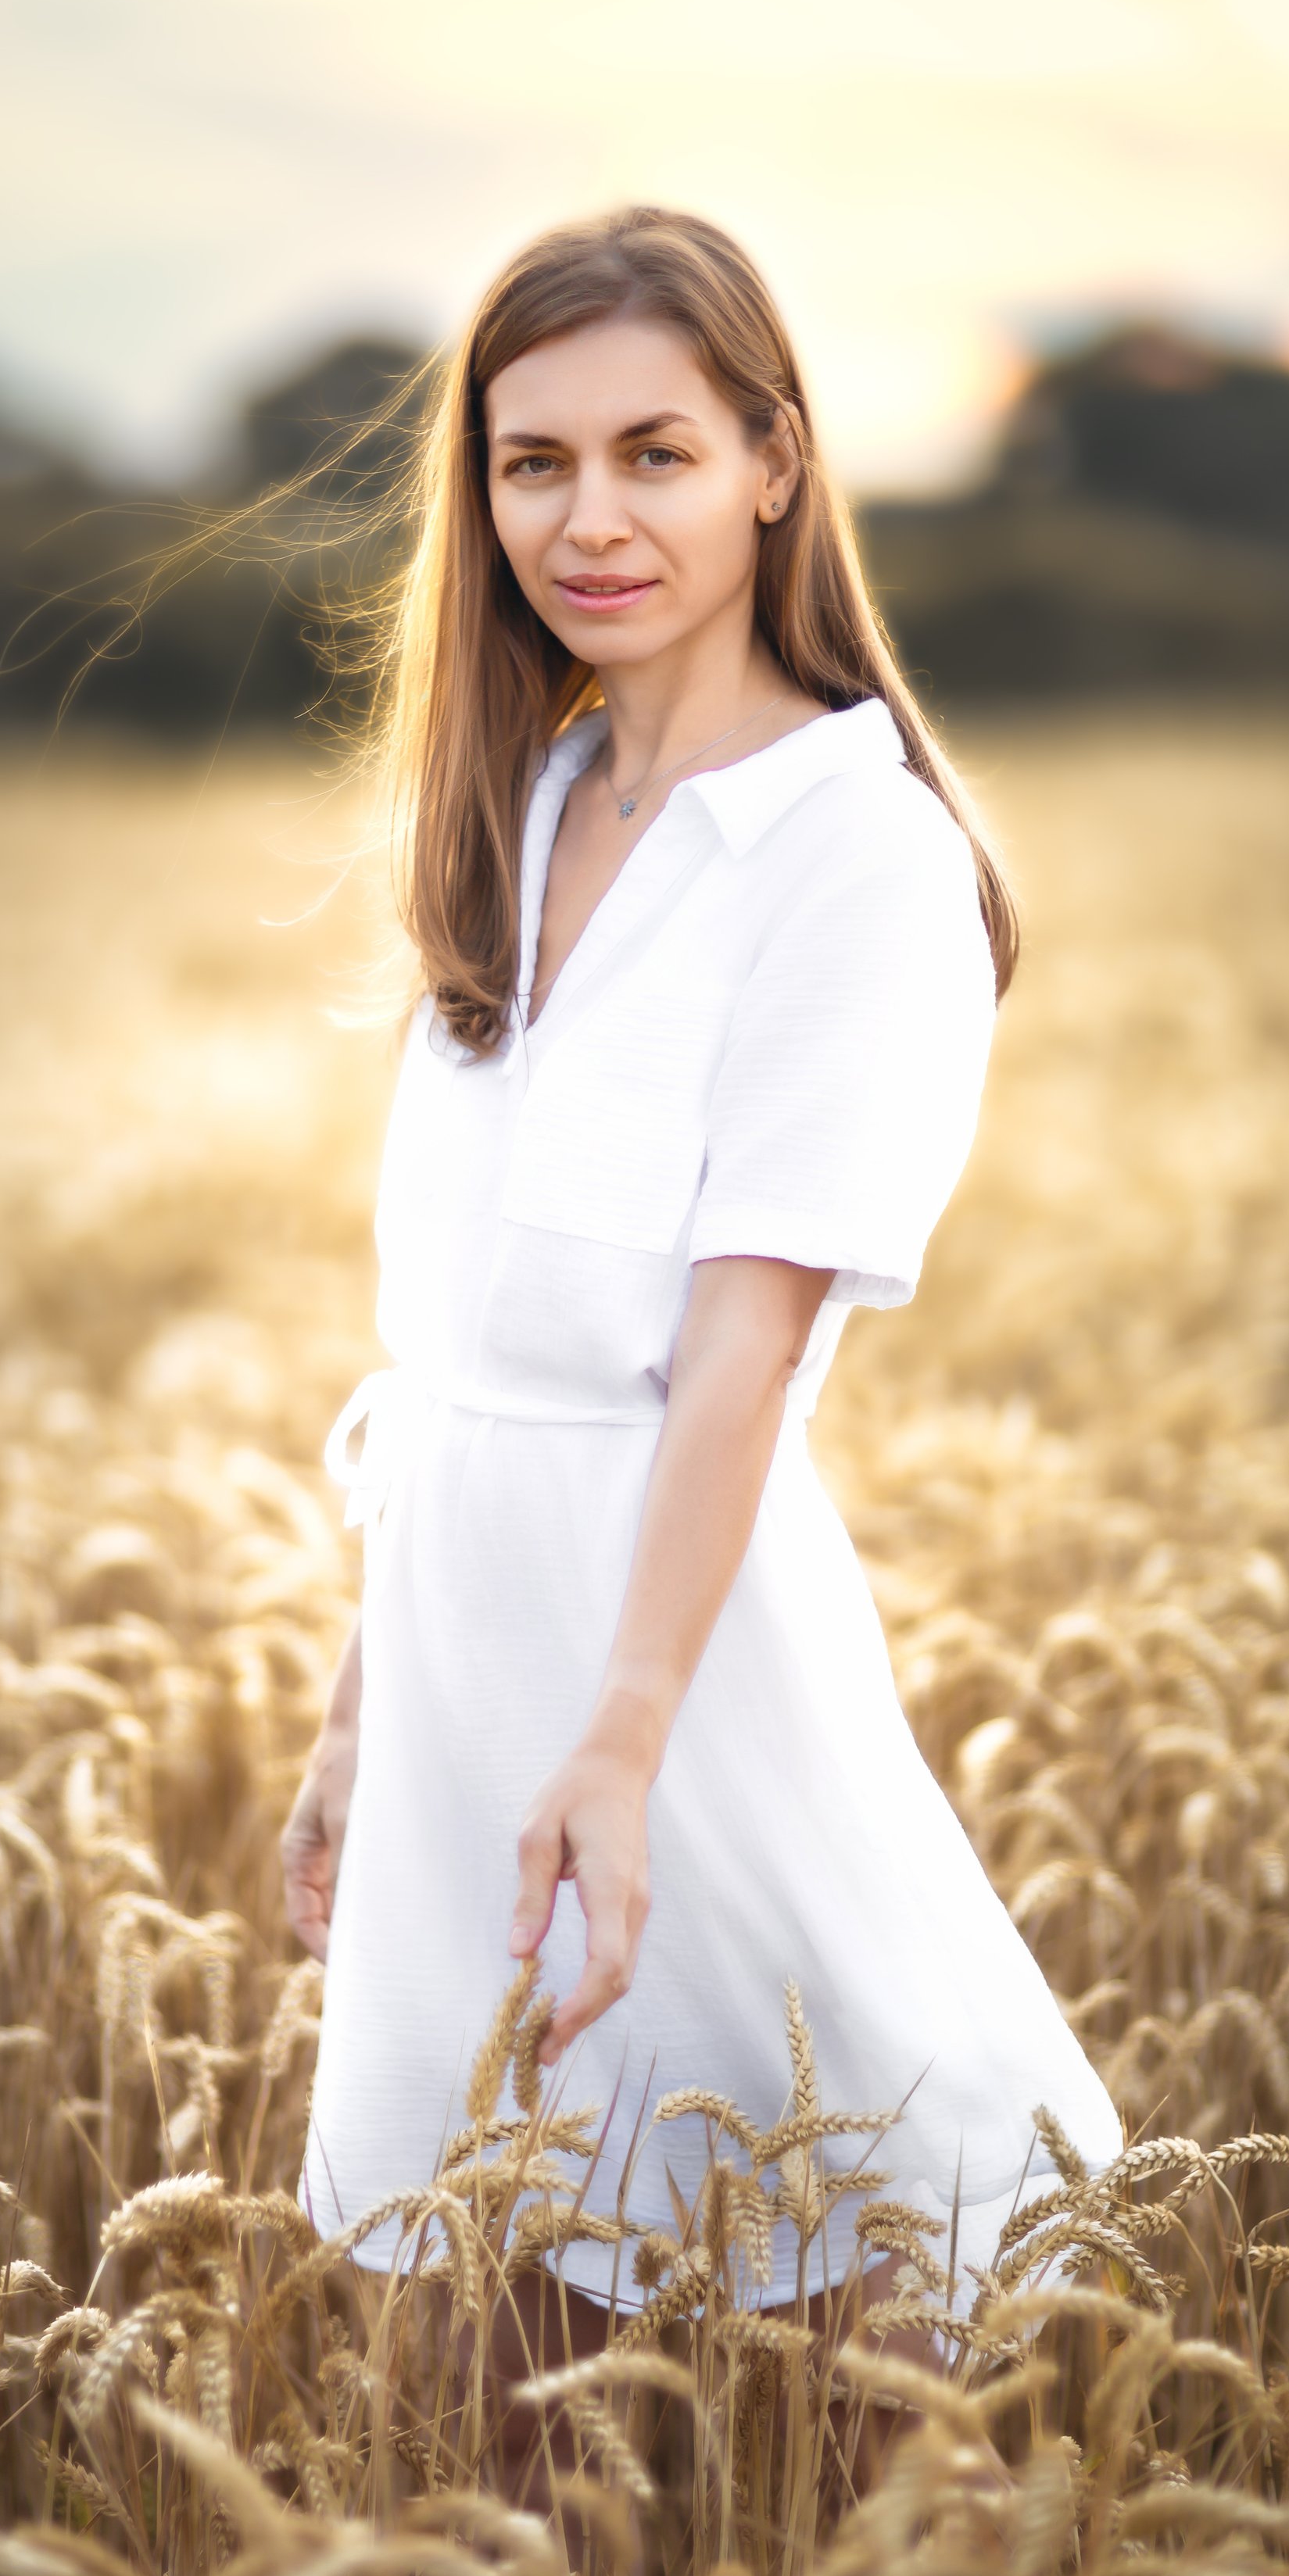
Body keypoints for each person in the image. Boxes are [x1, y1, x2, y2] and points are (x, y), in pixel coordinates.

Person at [281, 206, 1122, 2357]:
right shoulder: (528, 796)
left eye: (653, 452)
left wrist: (626, 1736)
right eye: (529, 460)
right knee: (495, 2360)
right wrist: (368, 1709)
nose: (588, 517)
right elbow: (454, 1347)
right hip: (463, 1632)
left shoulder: (857, 850)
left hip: (671, 1645)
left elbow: (741, 1344)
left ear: (774, 461)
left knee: (828, 2287)